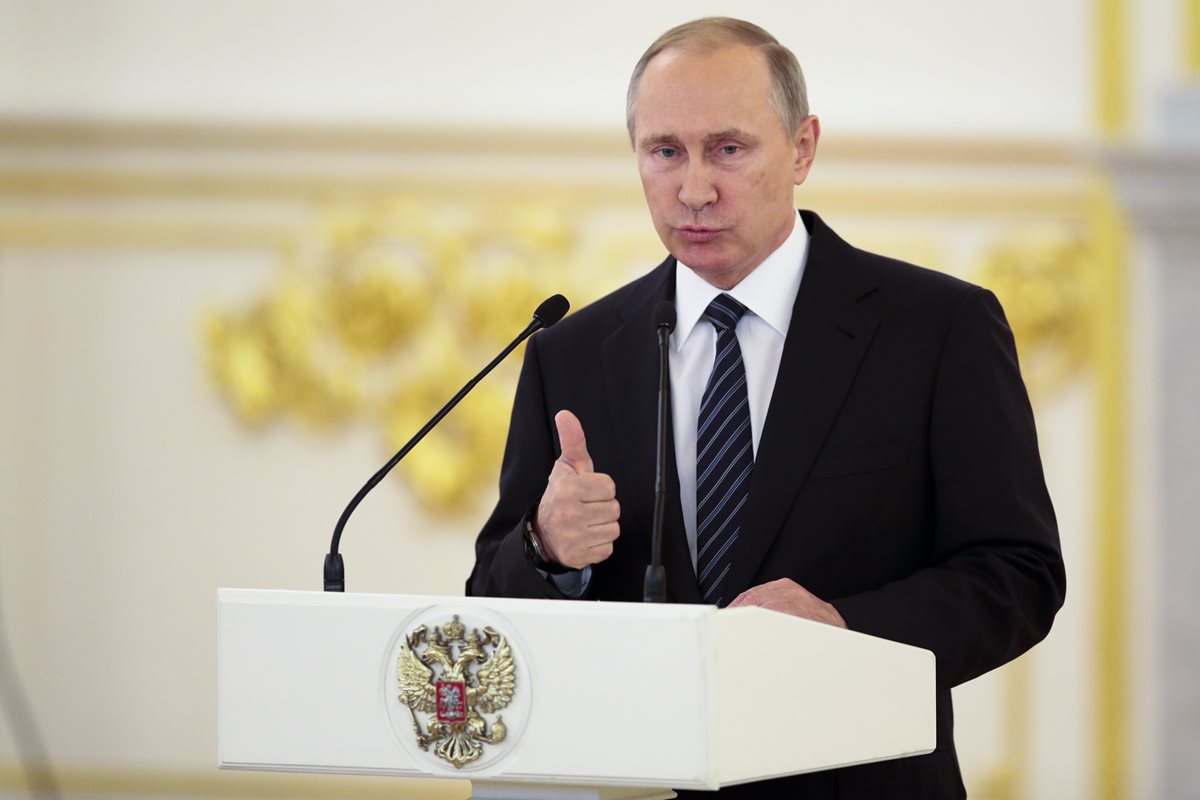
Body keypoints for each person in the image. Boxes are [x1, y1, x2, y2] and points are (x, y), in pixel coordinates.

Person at [467, 16, 1065, 799]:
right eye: (664, 151)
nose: (694, 188)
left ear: (803, 148)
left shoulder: (937, 329)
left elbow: (1017, 576)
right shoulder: (572, 352)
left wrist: (846, 629)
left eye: (729, 149)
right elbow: (488, 604)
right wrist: (546, 547)